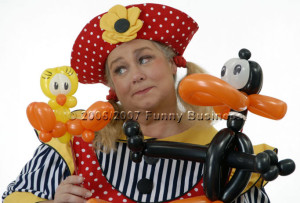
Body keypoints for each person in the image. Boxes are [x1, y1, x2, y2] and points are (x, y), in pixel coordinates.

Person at [2, 3, 273, 203]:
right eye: (120, 70)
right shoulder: (76, 142)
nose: (136, 75)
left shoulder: (228, 159)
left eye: (144, 59)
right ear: (113, 88)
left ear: (172, 64)